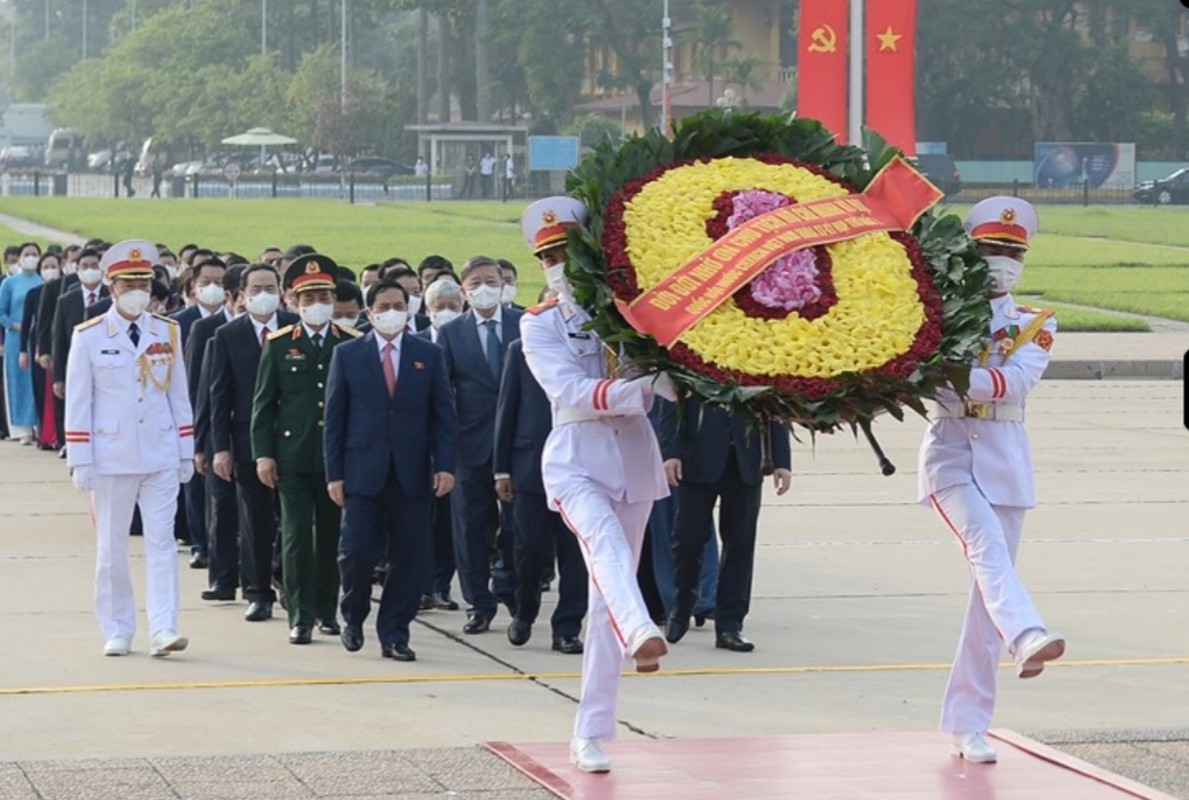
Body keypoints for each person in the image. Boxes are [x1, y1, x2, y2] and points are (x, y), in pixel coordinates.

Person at [518, 197, 673, 773]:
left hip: (633, 459)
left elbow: (672, 374)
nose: (559, 264)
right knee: (604, 551)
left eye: (567, 252)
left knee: (609, 586)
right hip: (576, 458)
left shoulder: (633, 313)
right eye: (548, 256)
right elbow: (569, 390)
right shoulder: (538, 324)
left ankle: (590, 731)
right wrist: (643, 388)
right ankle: (640, 630)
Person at [919, 196, 1065, 765]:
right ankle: (1027, 634)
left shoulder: (1036, 324)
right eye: (989, 250)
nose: (1000, 261)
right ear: (970, 253)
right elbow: (934, 389)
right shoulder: (935, 315)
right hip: (950, 458)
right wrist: (970, 380)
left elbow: (1014, 384)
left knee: (985, 600)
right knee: (984, 548)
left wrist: (962, 377)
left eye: (1011, 252)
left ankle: (968, 723)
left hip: (1006, 463)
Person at [64, 239, 193, 657]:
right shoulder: (88, 336)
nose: (137, 290)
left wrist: (185, 450)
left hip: (159, 453)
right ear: (111, 286)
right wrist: (80, 459)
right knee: (112, 548)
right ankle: (118, 627)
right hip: (111, 456)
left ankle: (164, 627)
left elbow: (179, 396)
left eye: (143, 282)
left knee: (162, 543)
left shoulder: (167, 331)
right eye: (127, 283)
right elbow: (79, 402)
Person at [324, 279, 456, 661]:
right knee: (356, 553)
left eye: (398, 304)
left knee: (408, 557)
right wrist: (335, 473)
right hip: (362, 471)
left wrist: (444, 465)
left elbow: (442, 415)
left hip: (412, 473)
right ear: (370, 312)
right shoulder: (347, 354)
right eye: (383, 306)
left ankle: (395, 633)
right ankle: (353, 615)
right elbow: (335, 419)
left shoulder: (427, 354)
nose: (392, 312)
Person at [251, 254, 360, 645]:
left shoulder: (350, 343)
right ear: (294, 302)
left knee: (332, 536)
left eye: (324, 296)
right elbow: (264, 404)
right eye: (309, 296)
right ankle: (300, 614)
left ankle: (328, 610)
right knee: (297, 536)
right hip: (292, 456)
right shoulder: (280, 345)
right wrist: (263, 454)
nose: (318, 303)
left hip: (336, 459)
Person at [494, 298, 588, 655]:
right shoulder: (521, 350)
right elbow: (507, 409)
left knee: (575, 555)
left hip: (580, 467)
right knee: (529, 550)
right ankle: (525, 610)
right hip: (530, 466)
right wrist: (501, 469)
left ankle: (567, 627)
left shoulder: (591, 346)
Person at [659, 400, 792, 651]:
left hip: (746, 460)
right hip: (697, 457)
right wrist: (671, 452)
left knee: (740, 545)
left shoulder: (763, 359)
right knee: (687, 541)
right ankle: (684, 601)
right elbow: (671, 401)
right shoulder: (693, 359)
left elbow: (775, 404)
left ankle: (730, 625)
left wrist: (782, 460)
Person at [436, 256, 523, 634]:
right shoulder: (453, 332)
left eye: (491, 280)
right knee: (471, 528)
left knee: (520, 526)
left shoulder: (526, 324)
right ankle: (478, 603)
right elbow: (442, 393)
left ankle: (512, 585)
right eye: (475, 283)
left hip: (520, 443)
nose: (484, 288)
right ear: (464, 290)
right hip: (469, 444)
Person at [208, 263, 299, 622]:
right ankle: (258, 592)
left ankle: (289, 584)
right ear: (242, 296)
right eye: (256, 289)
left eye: (270, 287)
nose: (264, 295)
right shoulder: (228, 336)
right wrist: (220, 448)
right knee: (255, 520)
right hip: (246, 441)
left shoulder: (296, 328)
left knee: (292, 520)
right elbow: (219, 396)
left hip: (293, 440)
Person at [0, 242, 43, 444]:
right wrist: (16, 326)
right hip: (15, 339)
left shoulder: (43, 281)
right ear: (20, 257)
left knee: (35, 381)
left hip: (37, 337)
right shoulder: (10, 284)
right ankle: (21, 429)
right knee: (18, 381)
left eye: (34, 254)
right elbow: (1, 312)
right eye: (27, 254)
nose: (31, 257)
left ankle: (38, 426)